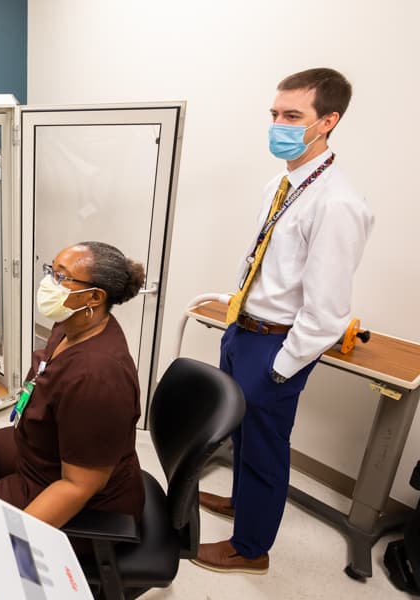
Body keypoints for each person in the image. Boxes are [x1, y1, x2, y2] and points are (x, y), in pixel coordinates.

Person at [193, 68, 374, 574]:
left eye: (293, 116)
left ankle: (251, 548)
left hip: (275, 346)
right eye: (275, 114)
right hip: (243, 330)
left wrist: (282, 368)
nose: (278, 124)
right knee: (240, 434)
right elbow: (271, 262)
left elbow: (327, 312)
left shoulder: (338, 203)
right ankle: (242, 503)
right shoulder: (283, 183)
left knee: (265, 445)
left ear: (328, 121)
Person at [0, 241, 145, 528]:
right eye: (50, 271)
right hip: (40, 452)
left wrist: (12, 538)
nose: (48, 283)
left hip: (80, 500)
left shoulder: (97, 375)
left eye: (60, 276)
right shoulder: (70, 325)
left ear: (93, 297)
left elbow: (77, 487)